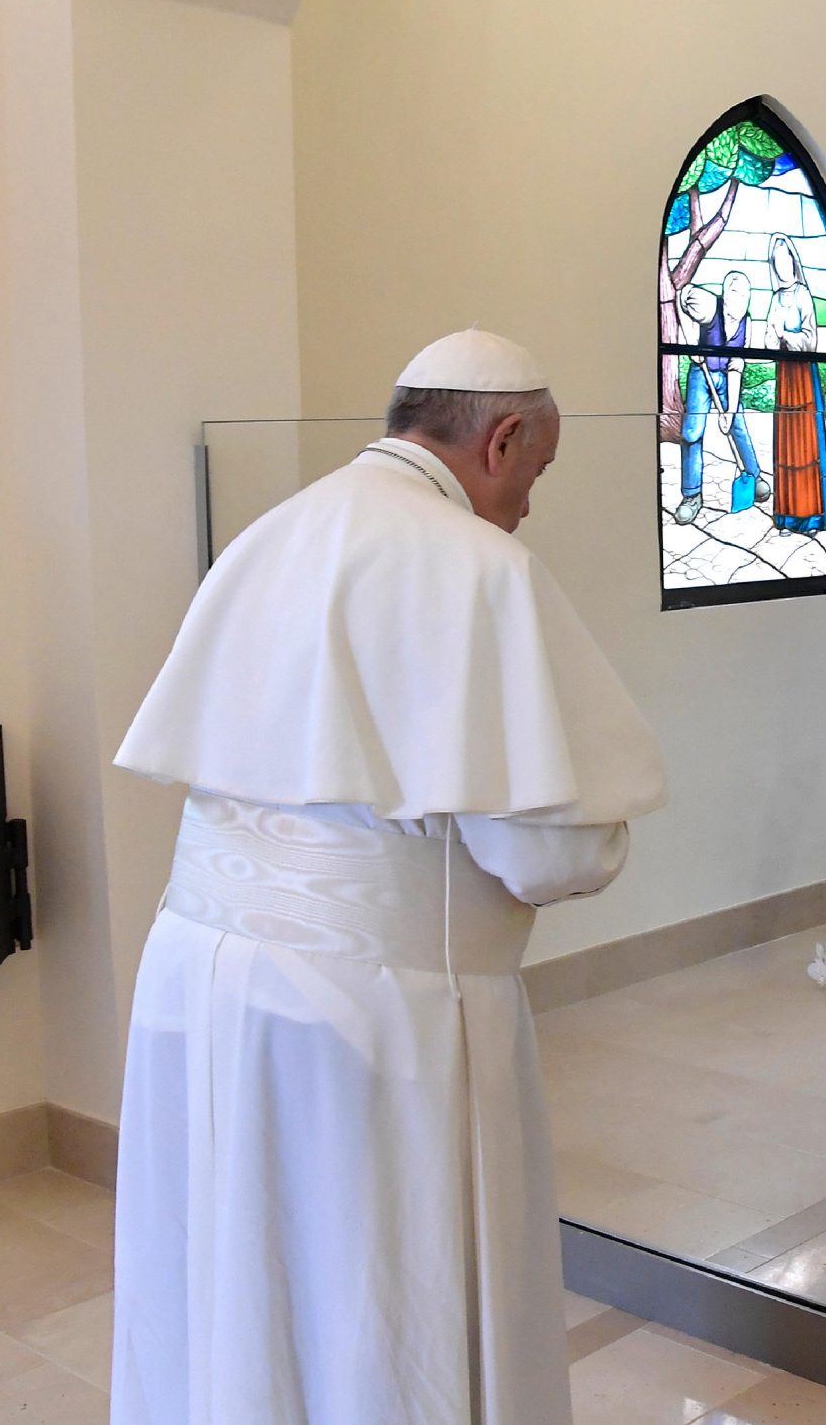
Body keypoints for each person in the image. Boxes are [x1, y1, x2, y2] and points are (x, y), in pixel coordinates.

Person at [109, 328, 667, 1425]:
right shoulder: (479, 569)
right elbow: (546, 850)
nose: (526, 506)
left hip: (197, 973)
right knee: (370, 1295)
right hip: (372, 1009)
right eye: (536, 475)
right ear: (501, 438)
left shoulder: (272, 535)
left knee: (231, 1274)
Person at [672, 270, 769, 527]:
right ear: (725, 295)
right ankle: (691, 495)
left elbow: (736, 368)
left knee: (738, 424)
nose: (740, 300)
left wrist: (729, 412)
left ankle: (753, 475)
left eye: (745, 294)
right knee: (692, 432)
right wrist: (689, 337)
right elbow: (681, 295)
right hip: (701, 375)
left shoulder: (747, 325)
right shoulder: (707, 306)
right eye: (735, 293)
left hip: (726, 377)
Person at [765, 233, 826, 533]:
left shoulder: (803, 294)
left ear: (793, 261)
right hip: (785, 376)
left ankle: (810, 516)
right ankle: (786, 515)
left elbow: (810, 339)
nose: (782, 266)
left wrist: (784, 335)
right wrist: (772, 336)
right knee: (786, 446)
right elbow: (767, 338)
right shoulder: (774, 298)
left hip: (803, 376)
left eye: (785, 259)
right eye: (776, 260)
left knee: (806, 446)